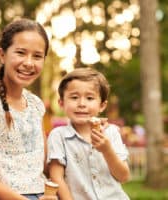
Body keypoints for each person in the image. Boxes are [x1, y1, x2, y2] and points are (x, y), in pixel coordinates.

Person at [0, 18, 56, 200]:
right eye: (21, 53)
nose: (29, 63)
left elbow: (45, 163)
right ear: (2, 54)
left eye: (37, 56)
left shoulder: (36, 104)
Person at [47, 68, 130, 200]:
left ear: (102, 105)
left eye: (90, 98)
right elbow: (57, 178)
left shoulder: (112, 132)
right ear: (61, 103)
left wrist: (107, 150)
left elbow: (123, 176)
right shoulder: (58, 136)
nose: (81, 104)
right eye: (74, 97)